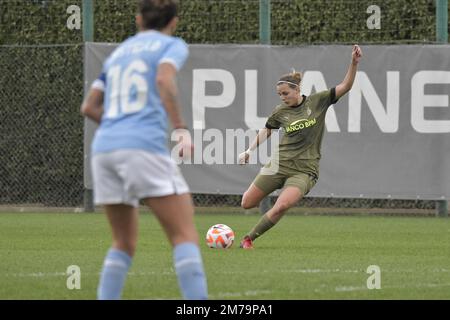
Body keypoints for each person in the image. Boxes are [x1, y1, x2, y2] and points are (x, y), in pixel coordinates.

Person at [80, 0, 207, 299]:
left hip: (104, 150)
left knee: (122, 243)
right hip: (142, 148)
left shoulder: (119, 53)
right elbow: (164, 78)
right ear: (173, 22)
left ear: (138, 20)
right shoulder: (171, 44)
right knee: (184, 235)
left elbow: (89, 107)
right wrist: (180, 129)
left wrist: (117, 127)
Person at [238, 45, 363, 249]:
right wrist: (249, 150)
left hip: (304, 170)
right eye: (279, 94)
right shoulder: (280, 111)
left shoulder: (318, 101)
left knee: (282, 205)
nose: (282, 97)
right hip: (278, 165)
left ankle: (248, 238)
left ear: (297, 89)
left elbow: (345, 86)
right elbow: (268, 129)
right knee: (247, 203)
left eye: (286, 93)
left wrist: (354, 63)